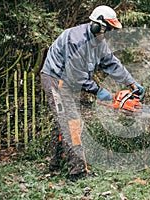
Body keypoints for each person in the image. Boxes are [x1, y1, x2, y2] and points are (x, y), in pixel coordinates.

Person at [40, 5, 144, 181]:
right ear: (98, 26)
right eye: (108, 28)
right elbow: (76, 75)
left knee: (62, 119)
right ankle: (77, 172)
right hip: (54, 79)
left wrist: (131, 82)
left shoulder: (99, 42)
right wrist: (100, 91)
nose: (110, 32)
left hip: (69, 81)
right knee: (70, 121)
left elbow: (112, 63)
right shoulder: (76, 40)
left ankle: (55, 163)